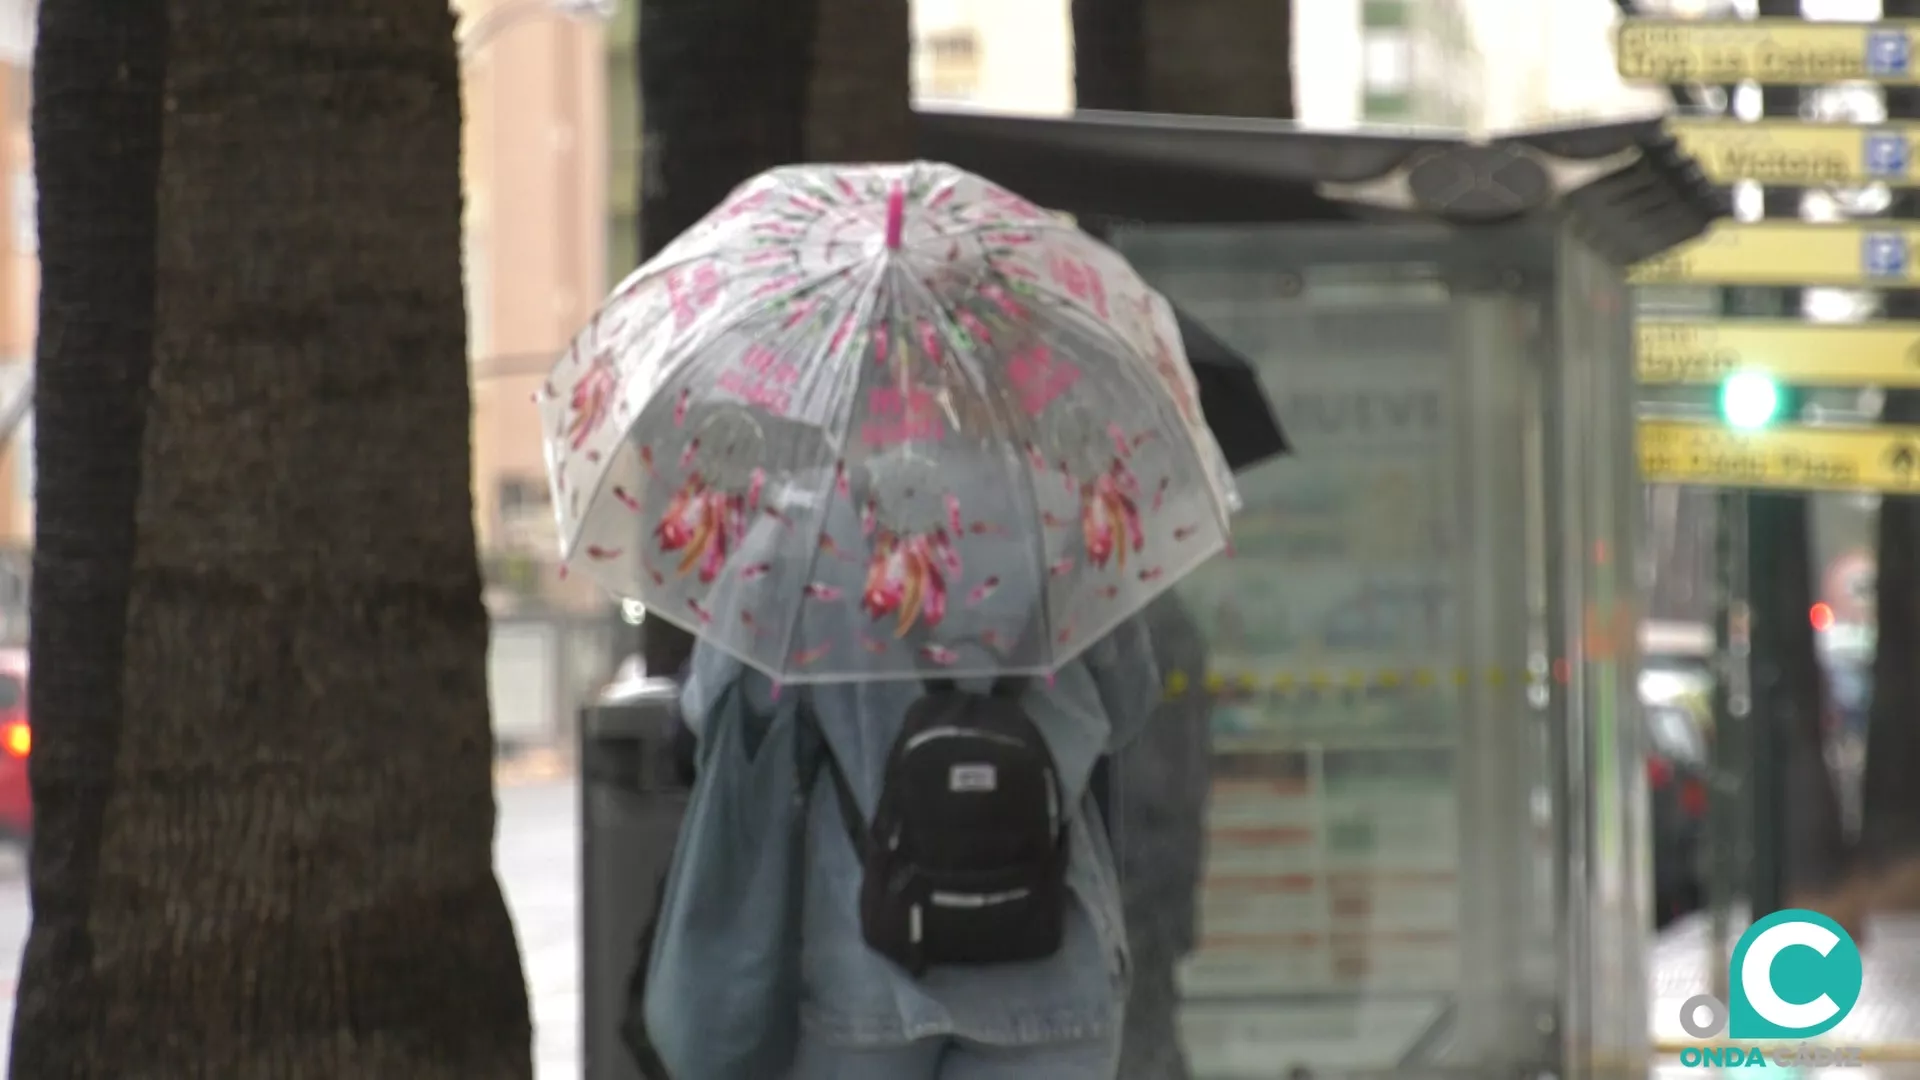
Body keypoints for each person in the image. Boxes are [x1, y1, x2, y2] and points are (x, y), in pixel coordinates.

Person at [661, 443, 1163, 1080]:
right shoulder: (1068, 510)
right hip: (1053, 958)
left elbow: (716, 708)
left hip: (866, 961)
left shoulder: (804, 520)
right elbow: (1128, 706)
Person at [1105, 592, 1212, 1079]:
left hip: (1134, 855)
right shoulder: (1166, 618)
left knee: (1139, 1018)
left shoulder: (1123, 621)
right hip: (1152, 852)